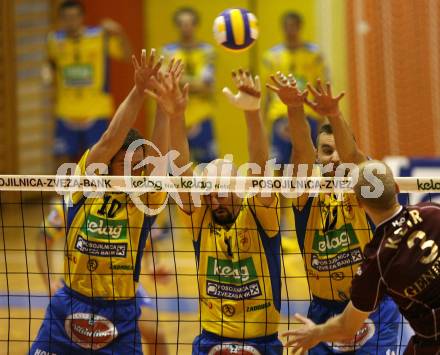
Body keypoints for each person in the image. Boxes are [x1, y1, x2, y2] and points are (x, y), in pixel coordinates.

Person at [30, 48, 171, 354]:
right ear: (109, 164)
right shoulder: (86, 184)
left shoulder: (145, 198)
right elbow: (109, 139)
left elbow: (159, 158)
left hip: (119, 312)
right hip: (69, 305)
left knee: (157, 337)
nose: (137, 170)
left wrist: (164, 105)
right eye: (127, 163)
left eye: (140, 164)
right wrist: (138, 90)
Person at [145, 69, 283, 354]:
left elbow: (260, 168)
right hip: (211, 340)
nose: (213, 201)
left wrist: (252, 112)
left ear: (238, 190)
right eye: (208, 193)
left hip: (260, 343)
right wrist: (176, 115)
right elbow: (182, 172)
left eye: (220, 192)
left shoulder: (259, 214)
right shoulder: (202, 218)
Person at [267, 74, 400, 354]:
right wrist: (293, 107)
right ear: (318, 158)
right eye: (327, 151)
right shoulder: (306, 193)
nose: (335, 158)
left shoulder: (366, 187)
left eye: (339, 149)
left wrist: (333, 114)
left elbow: (353, 158)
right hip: (321, 311)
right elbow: (300, 154)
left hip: (371, 308)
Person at [283, 160, 440, 355]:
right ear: (398, 188)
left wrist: (316, 333)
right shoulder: (433, 211)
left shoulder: (377, 261)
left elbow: (347, 327)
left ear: (358, 202)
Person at [35, 198, 171, 355]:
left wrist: (153, 264)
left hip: (122, 288)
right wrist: (49, 280)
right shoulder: (75, 200)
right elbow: (43, 240)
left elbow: (147, 243)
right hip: (80, 287)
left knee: (156, 334)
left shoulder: (138, 202)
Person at [46, 0, 131, 167]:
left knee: (97, 161)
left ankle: (95, 194)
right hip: (65, 111)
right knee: (62, 161)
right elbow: (50, 63)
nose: (71, 22)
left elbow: (127, 55)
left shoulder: (99, 37)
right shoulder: (54, 41)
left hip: (96, 110)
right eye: (66, 18)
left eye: (74, 17)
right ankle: (64, 194)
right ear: (61, 20)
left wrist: (119, 32)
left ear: (82, 17)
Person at [263, 12, 327, 166]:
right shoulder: (272, 56)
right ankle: (277, 191)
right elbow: (267, 93)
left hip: (308, 114)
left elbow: (320, 87)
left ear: (300, 27)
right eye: (287, 27)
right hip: (280, 116)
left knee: (310, 161)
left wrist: (321, 119)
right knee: (279, 163)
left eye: (293, 26)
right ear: (282, 28)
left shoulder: (314, 54)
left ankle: (311, 190)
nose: (290, 30)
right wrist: (265, 123)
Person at [161, 7, 217, 164]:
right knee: (173, 168)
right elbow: (165, 82)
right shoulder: (167, 51)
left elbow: (207, 86)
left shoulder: (207, 51)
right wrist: (195, 83)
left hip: (201, 115)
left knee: (208, 167)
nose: (186, 27)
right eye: (181, 23)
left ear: (196, 25)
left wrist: (177, 79)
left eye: (189, 23)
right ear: (176, 26)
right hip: (174, 116)